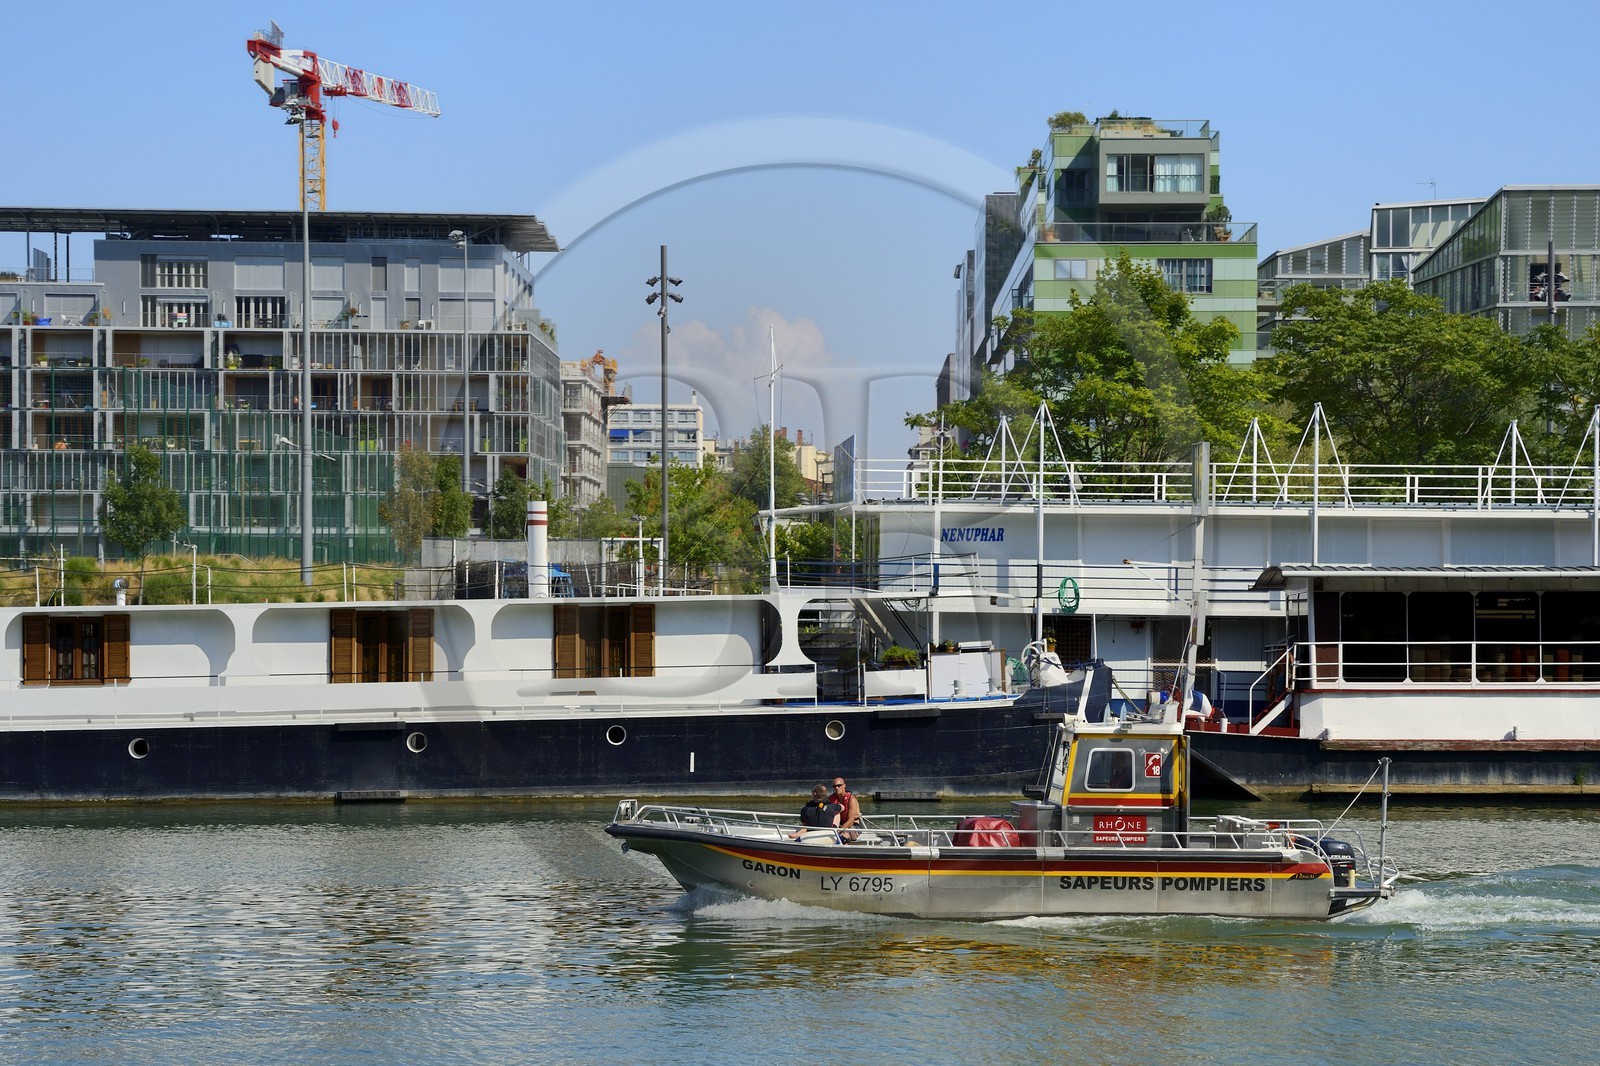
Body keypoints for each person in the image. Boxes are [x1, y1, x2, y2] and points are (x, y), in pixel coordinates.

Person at [830, 777, 862, 841]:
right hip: (839, 825)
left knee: (843, 836)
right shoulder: (831, 798)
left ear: (844, 785)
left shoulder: (851, 800)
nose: (836, 788)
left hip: (853, 825)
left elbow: (850, 821)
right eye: (834, 786)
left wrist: (838, 831)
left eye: (839, 785)